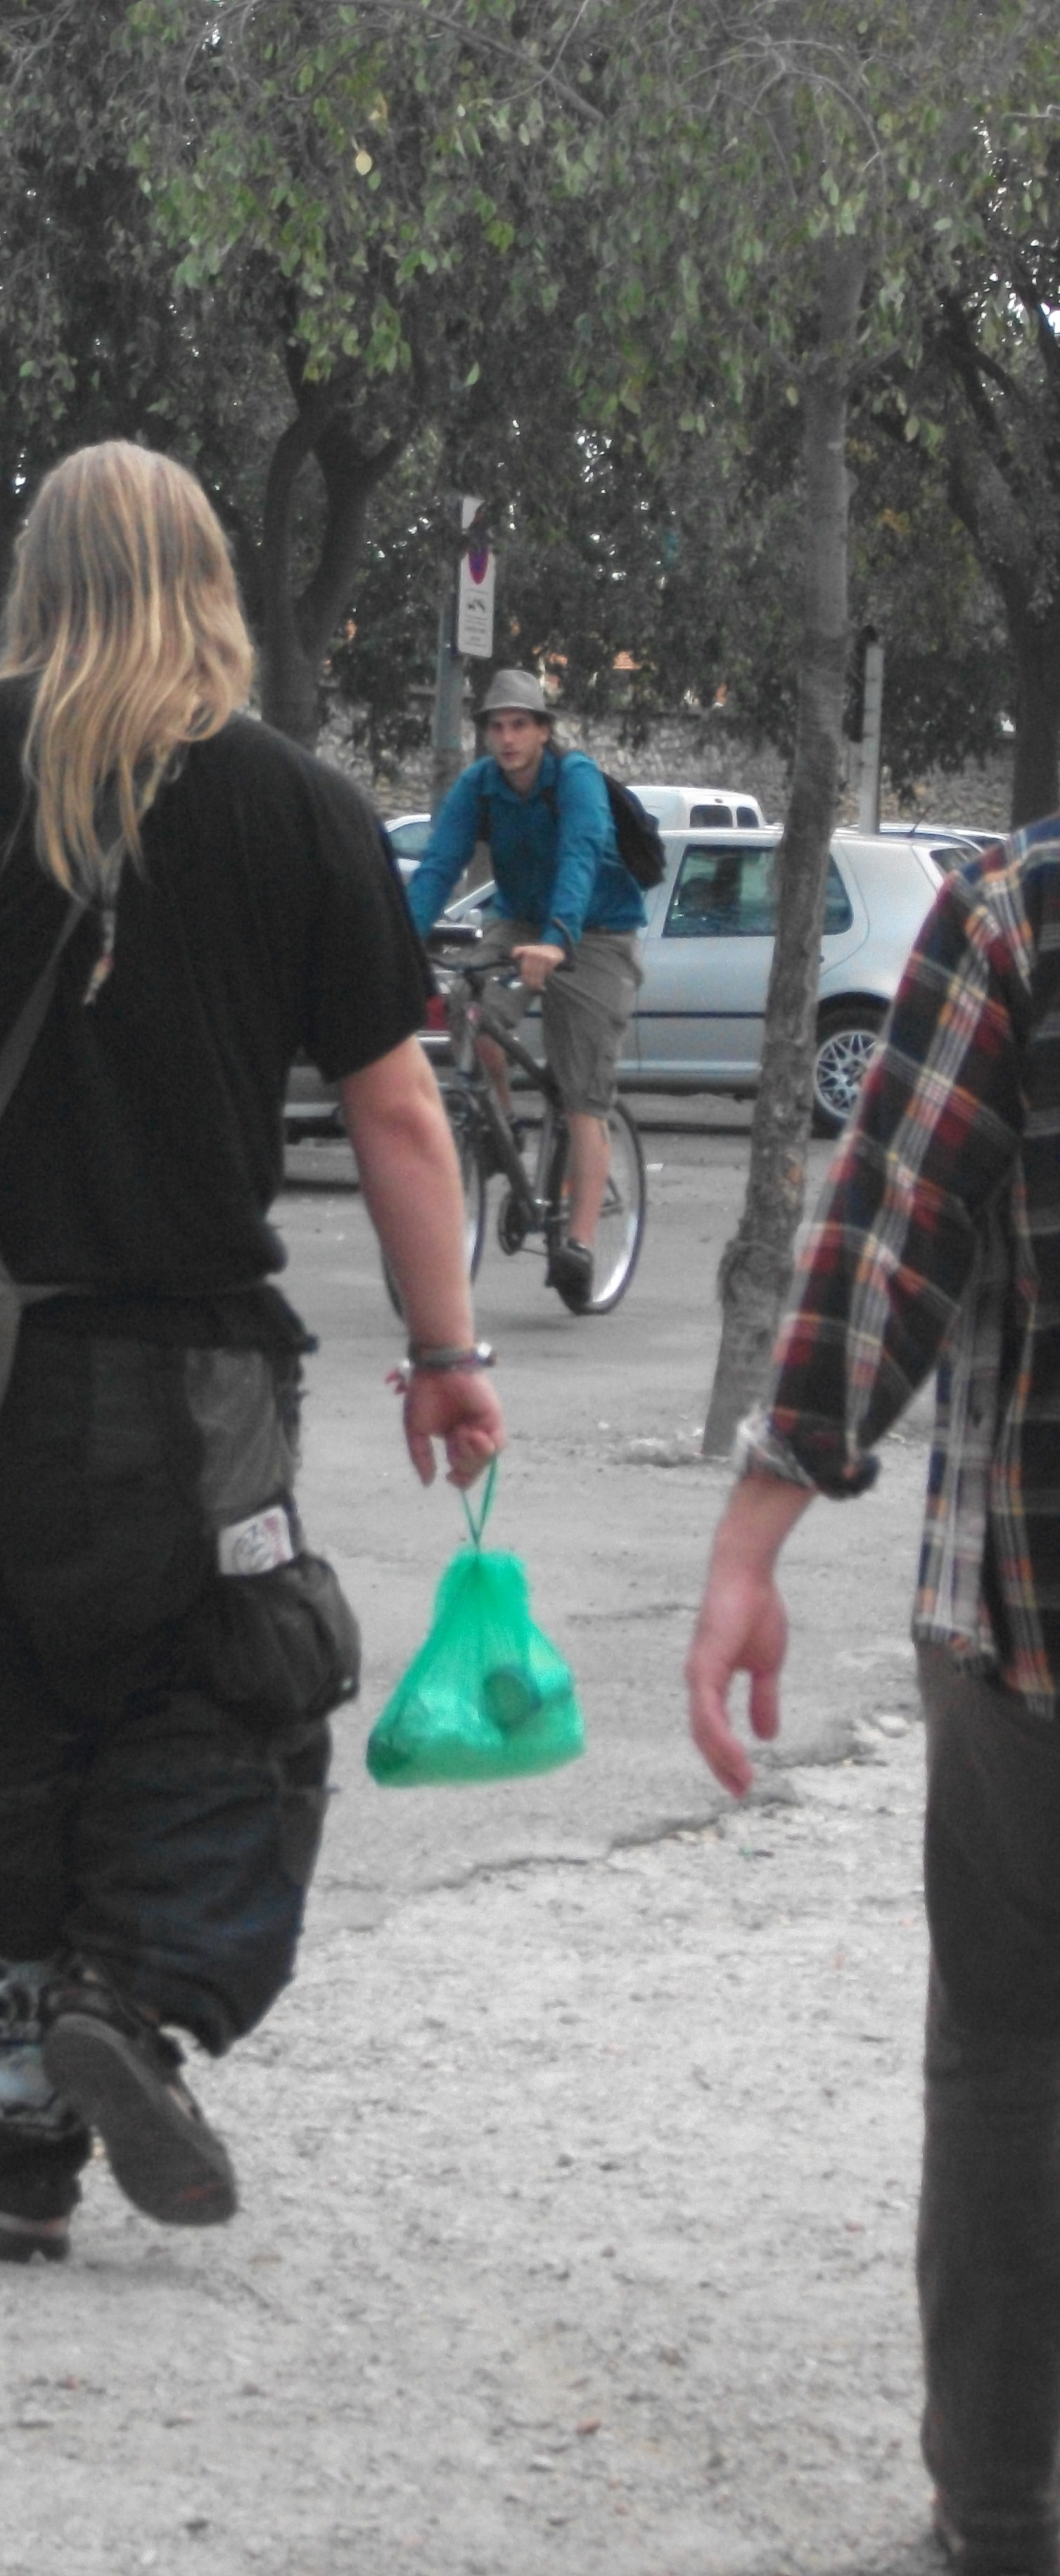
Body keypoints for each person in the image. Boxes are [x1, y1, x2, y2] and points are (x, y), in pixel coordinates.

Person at [0, 442, 503, 2265]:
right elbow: (398, 1113)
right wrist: (446, 1349)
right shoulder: (299, 808)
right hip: (195, 1382)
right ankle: (137, 1992)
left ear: (38, 577)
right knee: (232, 1695)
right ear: (209, 581)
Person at [686, 810, 1060, 2576]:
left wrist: (750, 1539)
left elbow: (889, 1238)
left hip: (1033, 1620)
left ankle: (1003, 2506)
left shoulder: (1021, 911)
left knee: (1011, 2051)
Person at [404, 669, 647, 1312]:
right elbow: (439, 865)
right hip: (517, 924)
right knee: (469, 1003)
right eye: (497, 726)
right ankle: (502, 1124)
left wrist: (560, 938)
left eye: (520, 725)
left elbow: (581, 855)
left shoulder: (575, 779)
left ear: (543, 731)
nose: (507, 738)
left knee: (582, 1094)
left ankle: (580, 1246)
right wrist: (398, 940)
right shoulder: (480, 786)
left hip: (596, 930)